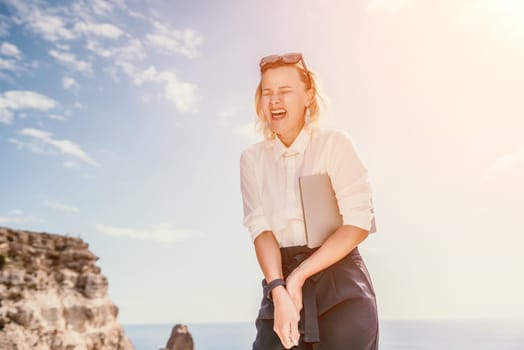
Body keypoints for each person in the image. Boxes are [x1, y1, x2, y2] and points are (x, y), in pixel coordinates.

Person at [240, 52, 379, 350]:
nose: (274, 100)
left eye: (285, 91)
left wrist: (299, 277)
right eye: (267, 93)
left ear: (308, 96)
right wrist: (278, 287)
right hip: (280, 278)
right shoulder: (252, 160)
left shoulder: (334, 144)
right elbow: (260, 229)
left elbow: (358, 223)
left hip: (339, 279)